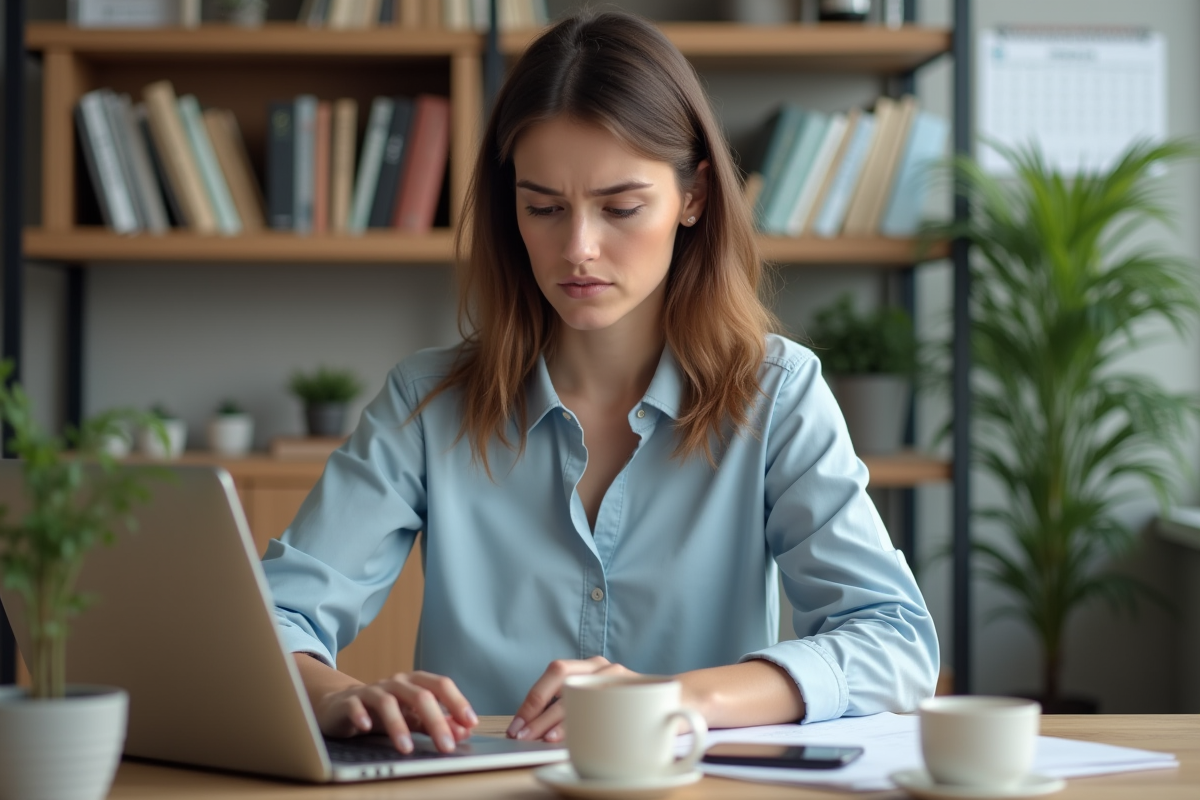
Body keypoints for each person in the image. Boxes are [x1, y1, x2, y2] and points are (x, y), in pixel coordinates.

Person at [262, 10, 939, 756]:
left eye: (620, 207)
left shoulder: (777, 395)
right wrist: (341, 697)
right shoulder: (425, 403)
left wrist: (679, 699)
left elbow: (894, 641)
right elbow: (270, 622)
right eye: (543, 208)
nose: (577, 248)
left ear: (695, 197)